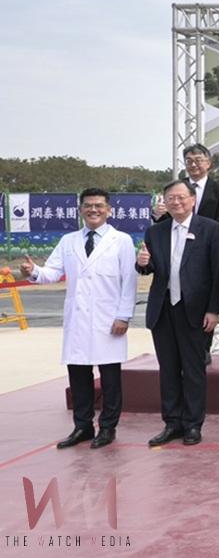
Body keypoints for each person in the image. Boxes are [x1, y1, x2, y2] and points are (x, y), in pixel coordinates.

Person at [21, 188, 136, 450]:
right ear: (81, 209)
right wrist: (33, 271)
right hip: (78, 319)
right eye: (87, 206)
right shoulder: (69, 240)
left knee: (110, 378)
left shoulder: (122, 240)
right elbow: (52, 272)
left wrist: (123, 315)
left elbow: (129, 281)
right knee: (79, 375)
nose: (93, 210)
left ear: (109, 210)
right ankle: (82, 426)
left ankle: (108, 427)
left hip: (109, 319)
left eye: (98, 205)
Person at [137, 180, 219, 447]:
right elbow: (149, 267)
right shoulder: (156, 231)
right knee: (168, 369)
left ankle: (193, 424)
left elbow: (218, 272)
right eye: (170, 198)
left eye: (181, 198)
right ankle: (172, 422)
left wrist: (214, 309)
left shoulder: (210, 229)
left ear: (192, 200)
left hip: (195, 310)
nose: (176, 203)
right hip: (163, 309)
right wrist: (142, 264)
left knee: (193, 369)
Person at [154, 143, 219, 368]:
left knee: (204, 300)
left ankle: (203, 349)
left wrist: (200, 239)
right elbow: (165, 225)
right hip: (177, 253)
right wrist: (158, 215)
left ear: (209, 163)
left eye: (198, 160)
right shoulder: (177, 189)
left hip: (206, 251)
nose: (194, 164)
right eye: (189, 161)